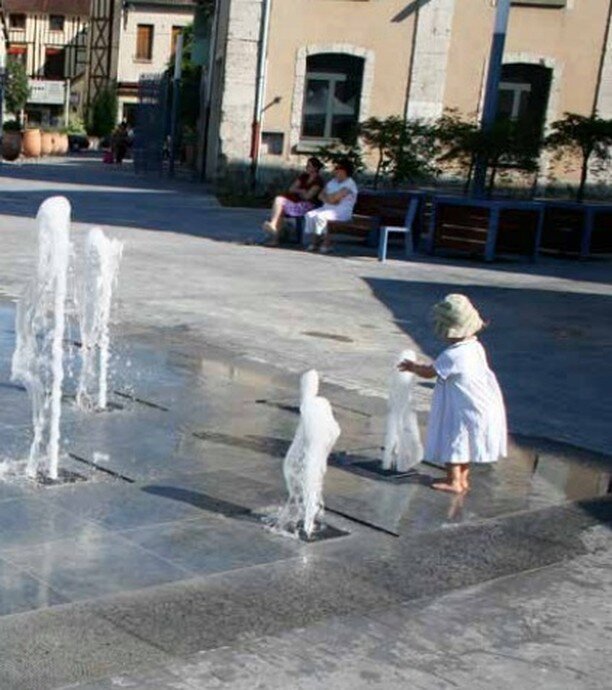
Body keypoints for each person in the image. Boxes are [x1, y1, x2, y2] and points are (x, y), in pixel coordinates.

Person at [398, 294, 507, 494]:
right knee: (464, 443)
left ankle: (454, 482)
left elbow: (430, 372)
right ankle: (462, 479)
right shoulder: (475, 347)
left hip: (463, 409)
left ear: (447, 332)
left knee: (453, 441)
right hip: (479, 405)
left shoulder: (452, 355)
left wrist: (412, 367)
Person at [262, 157, 325, 246]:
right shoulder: (304, 176)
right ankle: (274, 232)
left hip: (308, 205)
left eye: (309, 166)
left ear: (315, 168)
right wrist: (302, 191)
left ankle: (274, 232)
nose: (306, 168)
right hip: (296, 202)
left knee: (280, 205)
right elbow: (291, 189)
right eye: (306, 166)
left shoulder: (318, 181)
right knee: (279, 201)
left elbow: (308, 197)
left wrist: (299, 191)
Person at [303, 158, 358, 253]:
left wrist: (329, 198)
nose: (335, 170)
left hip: (341, 212)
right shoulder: (333, 181)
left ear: (344, 170)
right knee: (310, 215)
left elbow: (334, 198)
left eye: (337, 168)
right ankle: (316, 241)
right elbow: (320, 195)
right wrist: (330, 199)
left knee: (321, 216)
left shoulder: (349, 184)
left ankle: (326, 243)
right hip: (328, 208)